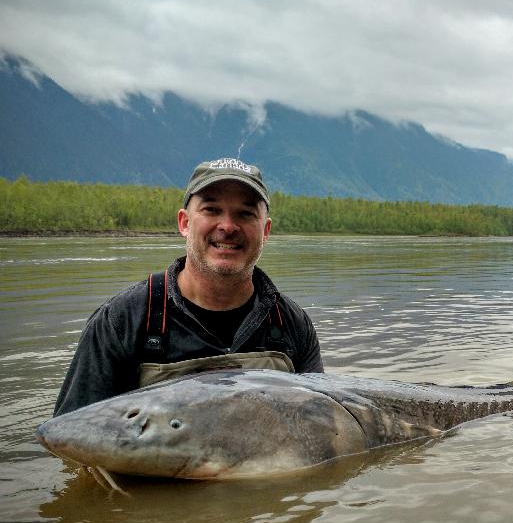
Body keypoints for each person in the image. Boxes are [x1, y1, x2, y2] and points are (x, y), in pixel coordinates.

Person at [54, 157, 323, 415]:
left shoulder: (293, 323)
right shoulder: (121, 320)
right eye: (211, 210)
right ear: (184, 222)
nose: (228, 226)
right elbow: (71, 445)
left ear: (265, 231)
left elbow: (323, 426)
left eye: (245, 213)